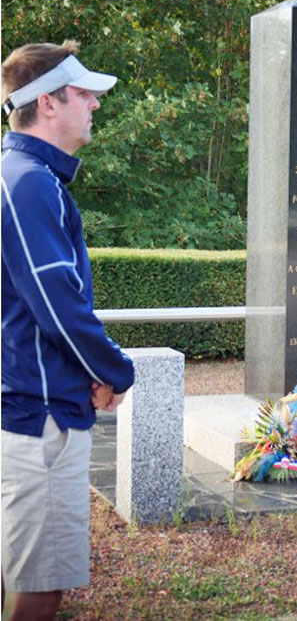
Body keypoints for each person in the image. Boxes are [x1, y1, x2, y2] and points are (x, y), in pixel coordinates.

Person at [1, 40, 135, 621]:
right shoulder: (29, 182)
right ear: (47, 104)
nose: (95, 105)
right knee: (40, 587)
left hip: (28, 408)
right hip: (40, 419)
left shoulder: (22, 177)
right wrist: (115, 372)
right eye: (83, 94)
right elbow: (57, 306)